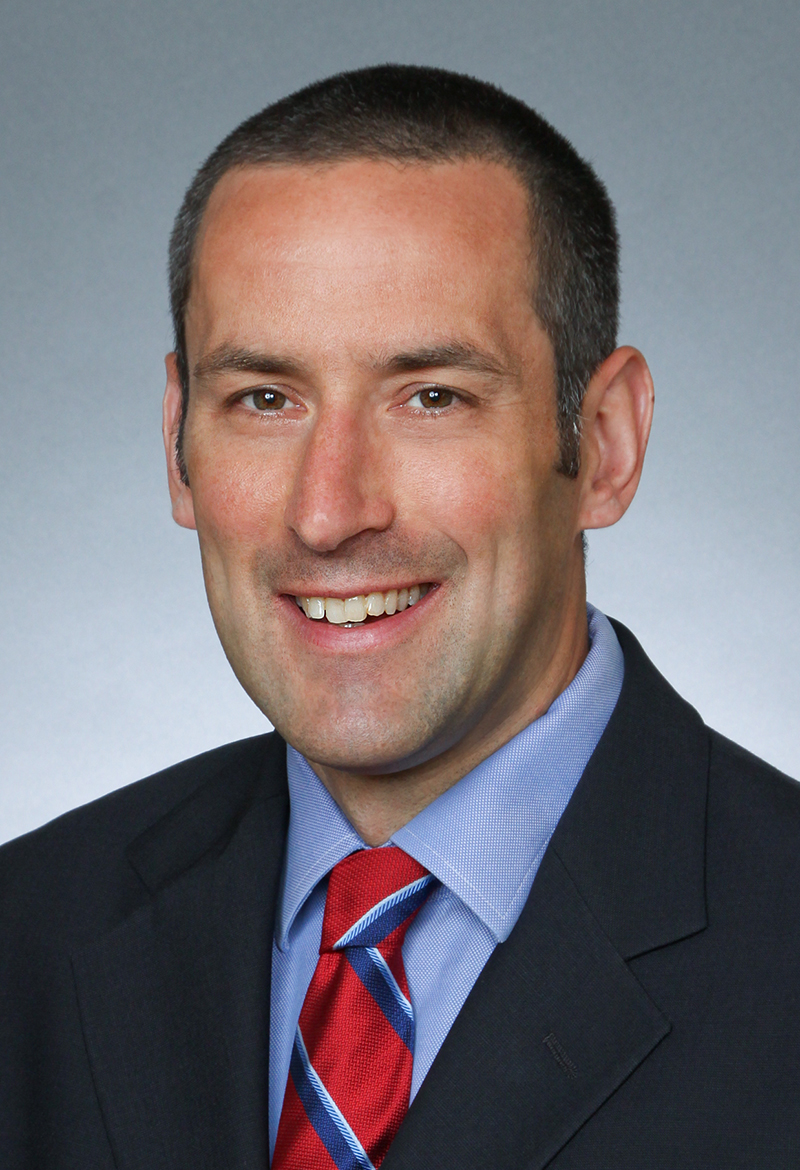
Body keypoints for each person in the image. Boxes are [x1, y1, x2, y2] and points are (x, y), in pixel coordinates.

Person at [2, 64, 799, 1170]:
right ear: (179, 444)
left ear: (605, 445)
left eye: (431, 397)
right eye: (264, 399)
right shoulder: (29, 934)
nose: (329, 512)